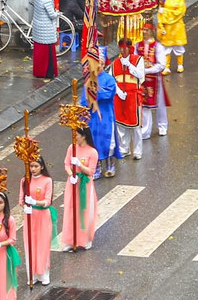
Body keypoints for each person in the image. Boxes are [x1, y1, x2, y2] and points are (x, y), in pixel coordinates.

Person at [82, 47, 119, 178]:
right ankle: (96, 167)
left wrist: (96, 92)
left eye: (101, 64)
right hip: (92, 117)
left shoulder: (109, 79)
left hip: (106, 115)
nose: (99, 66)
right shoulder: (88, 80)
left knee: (108, 141)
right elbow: (84, 99)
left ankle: (110, 164)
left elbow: (109, 94)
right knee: (93, 141)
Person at [61, 127, 98, 252]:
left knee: (84, 210)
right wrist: (71, 174)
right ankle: (70, 240)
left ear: (84, 136)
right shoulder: (71, 148)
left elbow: (91, 171)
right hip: (72, 183)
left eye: (76, 135)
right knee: (70, 210)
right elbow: (66, 164)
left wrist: (79, 165)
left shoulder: (92, 152)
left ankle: (85, 239)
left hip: (85, 185)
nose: (74, 137)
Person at [20, 157, 55, 285]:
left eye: (36, 166)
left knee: (43, 244)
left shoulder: (47, 180)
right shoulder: (25, 180)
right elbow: (21, 200)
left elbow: (47, 201)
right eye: (31, 166)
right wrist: (26, 207)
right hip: (30, 216)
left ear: (42, 167)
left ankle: (43, 273)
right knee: (30, 244)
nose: (33, 169)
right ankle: (32, 273)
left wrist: (35, 202)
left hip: (43, 215)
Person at [111, 39, 145, 160]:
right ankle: (124, 149)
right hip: (120, 96)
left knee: (136, 126)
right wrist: (118, 92)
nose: (122, 50)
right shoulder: (114, 64)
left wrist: (130, 65)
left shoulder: (138, 60)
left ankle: (137, 151)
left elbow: (141, 76)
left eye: (125, 48)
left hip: (133, 96)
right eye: (121, 48)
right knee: (121, 124)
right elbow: (112, 80)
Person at [136, 23, 169, 138]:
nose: (144, 32)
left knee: (160, 103)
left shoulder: (158, 46)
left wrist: (147, 70)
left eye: (146, 30)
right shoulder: (137, 46)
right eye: (143, 30)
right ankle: (145, 131)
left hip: (155, 79)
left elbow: (161, 65)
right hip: (142, 80)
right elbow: (135, 60)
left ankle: (162, 125)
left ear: (151, 31)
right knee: (144, 104)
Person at [30, 0, 59, 78]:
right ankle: (48, 73)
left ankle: (39, 71)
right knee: (48, 54)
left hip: (38, 28)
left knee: (39, 53)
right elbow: (52, 15)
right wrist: (58, 13)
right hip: (46, 31)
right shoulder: (46, 0)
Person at [157, 0, 188, 73]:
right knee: (166, 47)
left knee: (178, 46)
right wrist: (161, 25)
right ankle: (166, 67)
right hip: (167, 26)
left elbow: (180, 12)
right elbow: (160, 13)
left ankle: (180, 65)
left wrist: (166, 11)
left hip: (177, 25)